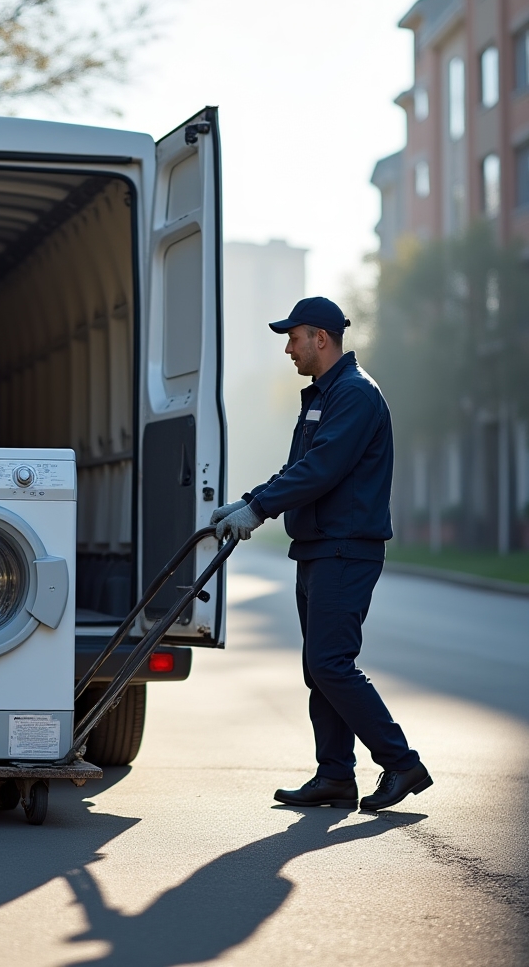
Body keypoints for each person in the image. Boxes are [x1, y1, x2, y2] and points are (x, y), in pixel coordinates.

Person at [211, 296, 432, 813]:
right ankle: (335, 775)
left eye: (294, 337)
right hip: (317, 549)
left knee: (331, 663)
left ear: (321, 339)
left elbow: (323, 468)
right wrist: (249, 501)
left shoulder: (354, 395)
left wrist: (259, 509)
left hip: (345, 549)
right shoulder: (324, 397)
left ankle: (402, 764)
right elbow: (302, 466)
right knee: (320, 668)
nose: (288, 348)